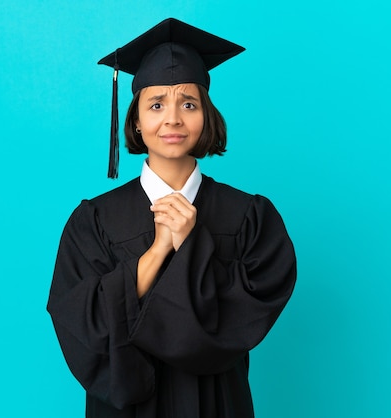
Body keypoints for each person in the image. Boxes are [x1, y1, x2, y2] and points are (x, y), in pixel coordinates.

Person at [47, 17, 297, 418]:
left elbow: (250, 313)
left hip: (218, 402)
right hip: (128, 406)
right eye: (157, 104)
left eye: (189, 104)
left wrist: (191, 243)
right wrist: (158, 250)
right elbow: (79, 320)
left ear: (206, 117)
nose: (174, 119)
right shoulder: (93, 220)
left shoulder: (248, 215)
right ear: (135, 121)